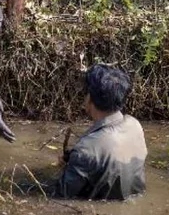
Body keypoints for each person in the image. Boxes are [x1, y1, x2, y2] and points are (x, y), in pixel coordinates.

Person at [52, 64, 148, 200]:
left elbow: (60, 196)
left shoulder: (86, 149)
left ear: (90, 98)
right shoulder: (134, 125)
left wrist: (62, 171)